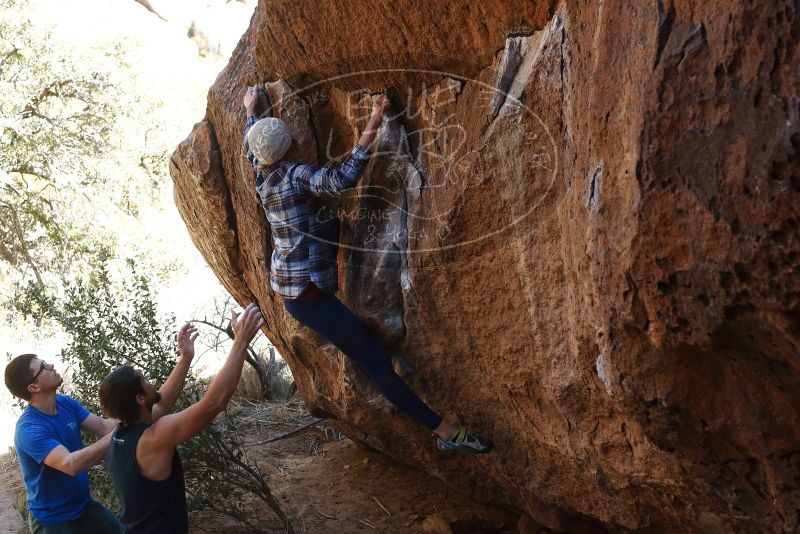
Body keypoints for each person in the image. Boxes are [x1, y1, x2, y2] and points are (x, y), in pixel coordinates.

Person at [242, 85, 492, 454]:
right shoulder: (294, 175)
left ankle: (375, 350)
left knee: (364, 340)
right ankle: (446, 432)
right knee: (377, 366)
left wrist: (252, 110)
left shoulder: (262, 172)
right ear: (288, 147)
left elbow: (253, 146)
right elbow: (342, 179)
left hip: (290, 281)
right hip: (308, 296)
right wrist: (375, 119)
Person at [101, 306, 264, 533]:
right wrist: (240, 341)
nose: (149, 380)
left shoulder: (121, 435)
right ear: (139, 398)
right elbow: (214, 403)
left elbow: (160, 404)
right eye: (144, 379)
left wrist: (185, 358)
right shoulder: (152, 438)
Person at [4, 354, 121, 533]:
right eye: (43, 366)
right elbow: (70, 463)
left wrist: (135, 413)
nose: (51, 364)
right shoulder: (29, 429)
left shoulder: (64, 403)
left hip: (84, 507)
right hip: (54, 522)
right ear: (33, 387)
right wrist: (120, 434)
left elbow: (104, 427)